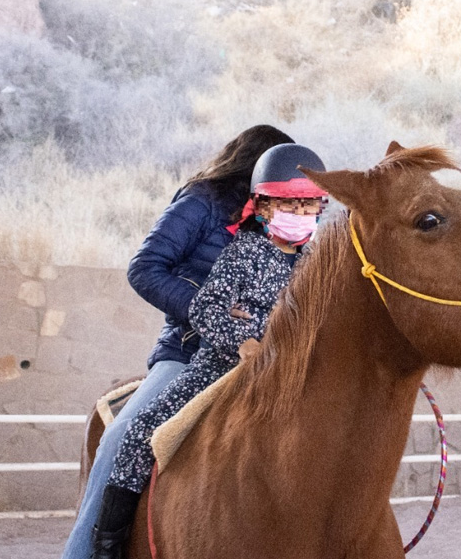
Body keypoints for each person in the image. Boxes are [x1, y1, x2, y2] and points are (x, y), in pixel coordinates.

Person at [61, 125, 295, 559]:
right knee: (122, 437)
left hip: (265, 359)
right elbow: (145, 267)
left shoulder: (286, 227)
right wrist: (211, 311)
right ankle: (84, 552)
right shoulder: (202, 203)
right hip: (188, 353)